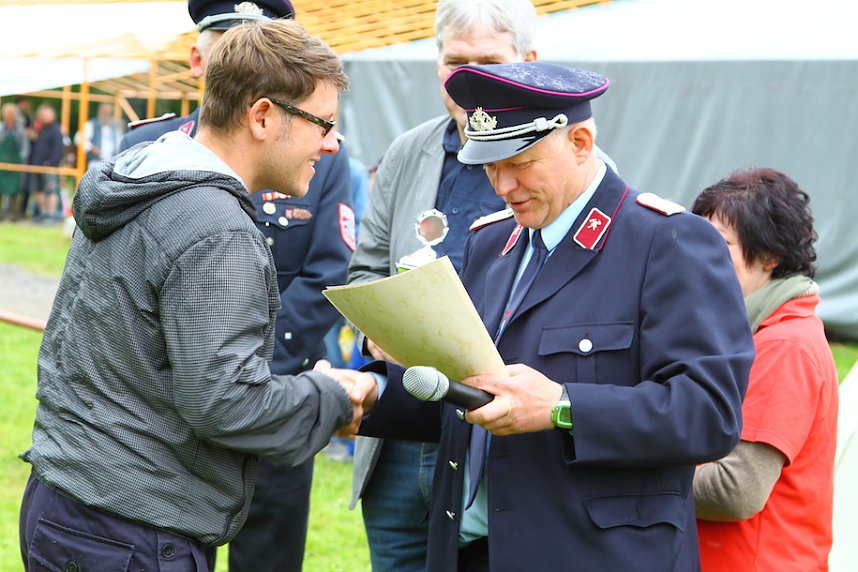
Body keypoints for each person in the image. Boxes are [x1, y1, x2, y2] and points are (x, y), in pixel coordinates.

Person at [352, 61, 754, 571]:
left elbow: (708, 415)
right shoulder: (491, 241)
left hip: (597, 556)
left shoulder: (667, 242)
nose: (502, 185)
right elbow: (475, 397)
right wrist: (374, 396)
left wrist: (564, 407)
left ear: (581, 142)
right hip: (474, 552)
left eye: (520, 163)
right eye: (489, 167)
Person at [18, 18, 371, 572]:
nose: (332, 143)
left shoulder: (144, 172)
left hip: (67, 504)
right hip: (131, 531)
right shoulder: (215, 224)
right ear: (261, 116)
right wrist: (330, 394)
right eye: (322, 124)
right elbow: (227, 404)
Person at [120, 2, 357, 570]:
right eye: (234, 45)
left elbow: (329, 268)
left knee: (268, 551)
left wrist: (258, 371)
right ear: (201, 58)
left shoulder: (315, 150)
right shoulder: (150, 152)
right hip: (172, 410)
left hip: (279, 381)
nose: (250, 59)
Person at [691, 168, 839, 571]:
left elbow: (736, 491)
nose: (700, 258)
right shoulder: (749, 334)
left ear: (771, 257)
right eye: (697, 241)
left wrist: (634, 466)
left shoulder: (785, 346)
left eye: (719, 245)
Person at [27, 104, 64, 222]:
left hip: (49, 167)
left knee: (51, 190)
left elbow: (58, 149)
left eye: (47, 114)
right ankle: (43, 213)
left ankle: (51, 214)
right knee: (39, 190)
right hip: (36, 165)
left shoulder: (56, 130)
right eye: (42, 114)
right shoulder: (39, 129)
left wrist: (52, 163)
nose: (44, 116)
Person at [0, 103, 29, 220]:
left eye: (11, 114)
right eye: (7, 114)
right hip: (2, 163)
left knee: (14, 190)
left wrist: (21, 161)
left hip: (15, 163)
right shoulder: (1, 129)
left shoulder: (20, 131)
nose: (9, 116)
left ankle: (12, 214)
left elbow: (25, 149)